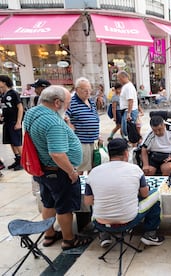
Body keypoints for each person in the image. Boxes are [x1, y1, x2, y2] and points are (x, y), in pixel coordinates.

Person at [24, 85, 92, 250]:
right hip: (58, 172)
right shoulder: (53, 122)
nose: (68, 107)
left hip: (42, 170)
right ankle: (69, 239)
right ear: (56, 102)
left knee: (48, 203)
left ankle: (49, 235)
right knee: (64, 207)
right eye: (67, 103)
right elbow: (57, 154)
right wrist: (72, 172)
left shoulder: (32, 113)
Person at [85, 138, 164, 247]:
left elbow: (88, 201)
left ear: (109, 154)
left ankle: (103, 235)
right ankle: (151, 234)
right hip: (129, 219)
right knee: (155, 194)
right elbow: (145, 194)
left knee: (97, 200)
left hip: (99, 221)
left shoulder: (94, 172)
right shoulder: (135, 170)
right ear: (126, 153)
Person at [66, 77, 100, 174]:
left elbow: (95, 118)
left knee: (94, 167)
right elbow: (63, 116)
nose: (88, 92)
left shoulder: (91, 102)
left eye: (89, 89)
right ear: (77, 90)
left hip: (94, 140)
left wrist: (98, 134)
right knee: (80, 167)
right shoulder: (72, 102)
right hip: (81, 141)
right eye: (85, 90)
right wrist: (69, 125)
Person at [0, 75, 23, 171]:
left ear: (4, 82)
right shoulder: (2, 94)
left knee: (17, 142)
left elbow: (20, 107)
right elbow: (5, 107)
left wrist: (18, 122)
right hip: (7, 121)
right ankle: (17, 159)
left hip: (14, 121)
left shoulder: (13, 93)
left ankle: (23, 161)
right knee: (10, 142)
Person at [117, 71, 141, 142]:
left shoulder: (128, 87)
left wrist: (129, 113)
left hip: (129, 111)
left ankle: (135, 145)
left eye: (119, 78)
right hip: (126, 111)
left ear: (124, 77)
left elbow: (130, 100)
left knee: (130, 131)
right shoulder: (126, 86)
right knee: (126, 130)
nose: (119, 80)